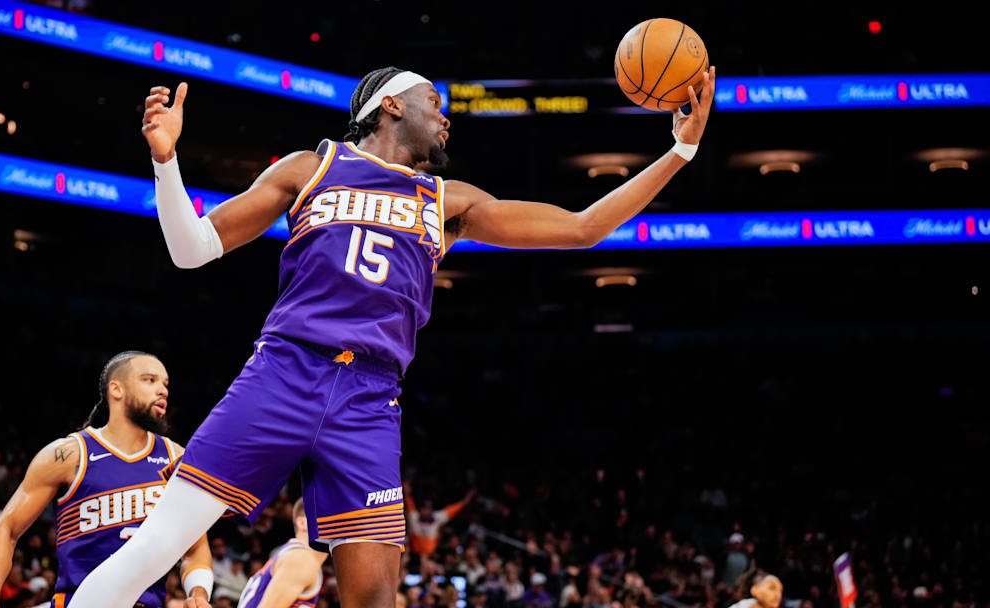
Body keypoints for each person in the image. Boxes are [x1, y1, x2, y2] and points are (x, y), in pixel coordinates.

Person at [69, 64, 715, 608]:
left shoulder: (447, 198)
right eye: (437, 103)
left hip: (370, 400)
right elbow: (191, 249)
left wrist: (679, 151)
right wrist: (165, 161)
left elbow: (581, 228)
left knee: (376, 598)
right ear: (391, 104)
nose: (446, 117)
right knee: (157, 542)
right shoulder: (310, 167)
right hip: (284, 372)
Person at [0, 351, 214, 608]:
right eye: (150, 380)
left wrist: (198, 594)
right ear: (116, 389)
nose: (163, 390)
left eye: (165, 384)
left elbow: (195, 546)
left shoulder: (176, 458)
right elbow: (7, 528)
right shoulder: (68, 455)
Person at [237, 498, 326, 608]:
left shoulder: (297, 556)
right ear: (303, 523)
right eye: (331, 516)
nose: (342, 523)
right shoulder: (301, 559)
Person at [405, 486, 475, 556]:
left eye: (429, 508)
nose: (427, 511)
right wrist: (407, 494)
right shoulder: (414, 517)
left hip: (431, 556)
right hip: (414, 555)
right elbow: (409, 503)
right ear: (420, 510)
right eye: (424, 508)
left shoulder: (436, 518)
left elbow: (452, 510)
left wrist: (465, 501)